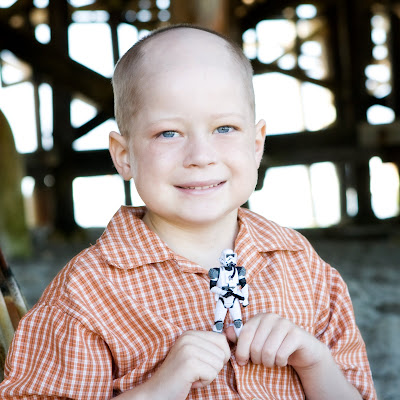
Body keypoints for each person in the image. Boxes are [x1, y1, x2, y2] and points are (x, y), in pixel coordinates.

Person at [0, 25, 377, 400]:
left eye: (224, 128)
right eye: (169, 133)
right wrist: (159, 388)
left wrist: (314, 361)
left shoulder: (303, 266)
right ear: (124, 155)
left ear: (256, 144)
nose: (200, 156)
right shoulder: (87, 293)